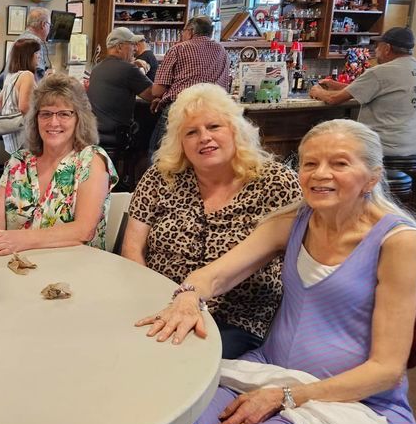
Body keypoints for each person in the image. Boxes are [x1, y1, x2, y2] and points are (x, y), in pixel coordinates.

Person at [138, 119, 416, 424]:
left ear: (372, 175)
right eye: (310, 163)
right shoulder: (296, 220)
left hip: (357, 401)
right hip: (271, 373)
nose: (320, 174)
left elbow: (386, 371)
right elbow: (216, 274)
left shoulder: (397, 241)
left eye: (339, 163)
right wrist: (189, 295)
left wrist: (286, 397)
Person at [124, 83, 301, 356]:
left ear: (235, 129)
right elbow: (132, 249)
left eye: (214, 127)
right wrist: (152, 299)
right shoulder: (162, 176)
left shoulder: (275, 182)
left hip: (238, 317)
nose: (204, 138)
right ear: (180, 143)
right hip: (160, 302)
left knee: (168, 359)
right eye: (191, 132)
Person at [0, 74, 117, 255]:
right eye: (45, 114)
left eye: (64, 114)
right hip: (16, 269)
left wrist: (20, 239)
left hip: (77, 271)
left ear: (79, 118)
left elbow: (84, 230)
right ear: (35, 119)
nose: (53, 122)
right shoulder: (19, 161)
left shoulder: (91, 160)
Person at [309, 26, 416, 157]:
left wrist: (318, 91)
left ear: (387, 48)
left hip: (380, 147)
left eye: (378, 46)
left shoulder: (381, 71)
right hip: (413, 147)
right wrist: (335, 84)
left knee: (327, 142)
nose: (375, 50)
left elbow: (334, 99)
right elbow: (372, 88)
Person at [148, 16, 230, 154]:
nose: (182, 34)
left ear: (191, 31)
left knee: (158, 151)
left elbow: (157, 90)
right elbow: (225, 85)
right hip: (213, 110)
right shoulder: (222, 51)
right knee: (201, 151)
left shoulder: (178, 49)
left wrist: (161, 97)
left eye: (184, 31)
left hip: (181, 108)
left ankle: (156, 176)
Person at [86, 27, 153, 155]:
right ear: (120, 47)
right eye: (132, 44)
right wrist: (141, 69)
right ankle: (139, 172)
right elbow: (153, 94)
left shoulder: (97, 69)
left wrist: (133, 64)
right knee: (150, 137)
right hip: (117, 136)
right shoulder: (128, 70)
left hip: (95, 133)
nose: (135, 49)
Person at [0, 38, 39, 156]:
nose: (38, 57)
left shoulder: (10, 76)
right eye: (36, 53)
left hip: (10, 136)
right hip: (23, 136)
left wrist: (11, 116)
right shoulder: (27, 75)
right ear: (28, 56)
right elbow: (24, 107)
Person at [16, 7, 52, 78]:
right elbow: (38, 76)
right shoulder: (35, 42)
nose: (49, 29)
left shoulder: (20, 38)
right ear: (43, 24)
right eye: (49, 25)